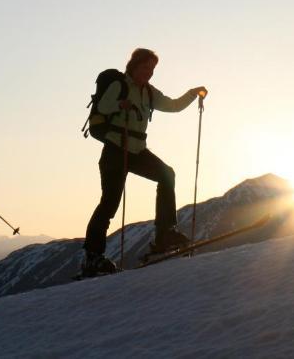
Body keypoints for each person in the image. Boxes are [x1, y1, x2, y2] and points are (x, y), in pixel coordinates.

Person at [82, 48, 207, 277]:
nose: (149, 73)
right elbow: (104, 106)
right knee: (109, 205)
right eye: (145, 67)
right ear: (134, 65)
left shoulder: (148, 92)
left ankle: (164, 233)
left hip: (136, 151)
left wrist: (193, 93)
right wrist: (120, 105)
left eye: (152, 69)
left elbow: (173, 105)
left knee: (166, 174)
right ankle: (93, 256)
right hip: (115, 151)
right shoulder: (119, 85)